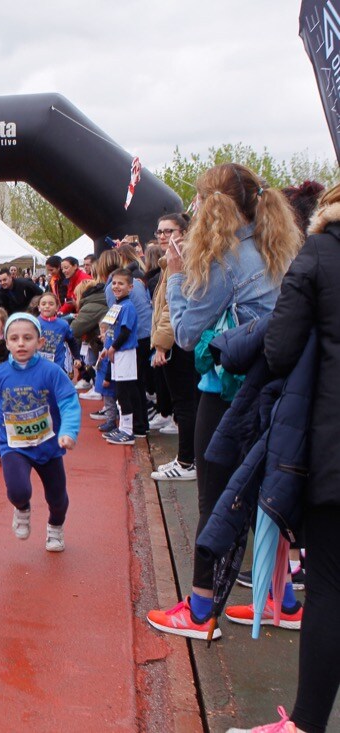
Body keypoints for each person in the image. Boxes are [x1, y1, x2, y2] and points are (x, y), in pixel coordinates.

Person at [147, 162, 302, 642]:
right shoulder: (279, 246)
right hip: (281, 390)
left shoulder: (228, 258)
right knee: (267, 495)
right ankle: (285, 600)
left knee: (216, 499)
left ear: (212, 207)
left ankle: (199, 610)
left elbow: (190, 335)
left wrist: (175, 275)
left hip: (232, 391)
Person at [227, 182, 340, 733]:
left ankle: (307, 723)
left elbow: (279, 349)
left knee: (330, 587)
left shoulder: (319, 255)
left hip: (332, 446)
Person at [0, 313, 80, 552]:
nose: (21, 343)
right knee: (18, 490)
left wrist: (69, 431)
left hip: (48, 445)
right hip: (13, 445)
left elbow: (69, 401)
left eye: (27, 338)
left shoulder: (51, 371)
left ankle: (55, 528)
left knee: (57, 498)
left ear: (40, 342)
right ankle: (22, 508)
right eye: (15, 338)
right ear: (6, 343)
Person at [149, 214, 200, 481]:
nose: (161, 235)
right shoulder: (171, 260)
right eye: (159, 231)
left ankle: (187, 461)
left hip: (179, 341)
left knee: (185, 403)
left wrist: (161, 345)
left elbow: (172, 307)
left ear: (183, 232)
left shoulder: (181, 260)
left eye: (168, 231)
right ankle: (188, 459)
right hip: (178, 337)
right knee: (188, 402)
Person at [100, 270, 143, 445]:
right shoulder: (117, 305)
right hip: (116, 351)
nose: (116, 287)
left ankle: (128, 430)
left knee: (124, 392)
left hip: (125, 352)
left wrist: (114, 347)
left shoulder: (128, 306)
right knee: (119, 392)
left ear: (130, 287)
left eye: (121, 284)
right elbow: (112, 330)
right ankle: (123, 427)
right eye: (114, 283)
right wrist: (107, 347)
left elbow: (125, 331)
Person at [36, 292, 79, 373]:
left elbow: (71, 341)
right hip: (37, 365)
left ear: (57, 308)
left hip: (57, 365)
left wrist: (77, 358)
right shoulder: (34, 323)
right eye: (43, 304)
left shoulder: (63, 324)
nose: (47, 306)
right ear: (39, 307)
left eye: (51, 304)